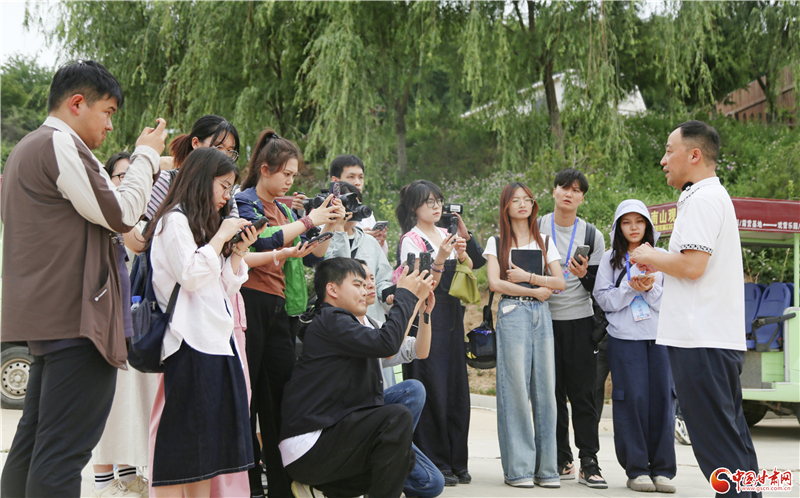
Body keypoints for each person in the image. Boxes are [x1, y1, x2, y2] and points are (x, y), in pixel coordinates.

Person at [0, 60, 167, 497]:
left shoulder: (26, 149)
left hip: (53, 322)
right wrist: (146, 155)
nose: (111, 125)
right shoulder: (60, 145)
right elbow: (123, 213)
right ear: (77, 103)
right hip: (79, 323)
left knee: (33, 449)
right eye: (107, 112)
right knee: (61, 457)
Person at [631, 120, 759, 497]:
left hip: (701, 340)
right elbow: (691, 267)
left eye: (669, 150)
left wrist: (649, 254)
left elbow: (692, 266)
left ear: (694, 155)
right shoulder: (707, 196)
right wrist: (659, 267)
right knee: (732, 443)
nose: (663, 160)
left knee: (718, 448)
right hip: (711, 338)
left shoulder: (702, 200)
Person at [144, 147, 261, 497]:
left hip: (216, 342)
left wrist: (237, 251)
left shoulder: (200, 224)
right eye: (223, 186)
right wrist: (221, 237)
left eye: (230, 187)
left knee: (209, 450)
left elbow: (223, 287)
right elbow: (191, 275)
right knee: (182, 447)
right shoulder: (173, 221)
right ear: (200, 180)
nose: (228, 196)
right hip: (189, 342)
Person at [235, 129, 342, 497]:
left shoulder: (283, 210)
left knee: (280, 399)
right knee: (248, 400)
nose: (290, 181)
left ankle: (282, 486)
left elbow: (312, 255)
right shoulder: (244, 202)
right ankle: (249, 486)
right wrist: (309, 220)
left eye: (294, 175)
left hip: (282, 309)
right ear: (264, 169)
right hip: (250, 303)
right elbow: (261, 240)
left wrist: (329, 222)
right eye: (286, 173)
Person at [281, 258, 432, 498]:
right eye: (357, 284)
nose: (365, 290)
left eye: (366, 284)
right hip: (310, 446)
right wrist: (404, 295)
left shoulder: (348, 325)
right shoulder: (332, 320)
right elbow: (388, 343)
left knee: (404, 455)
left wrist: (415, 304)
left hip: (325, 444)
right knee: (396, 419)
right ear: (332, 289)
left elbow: (391, 344)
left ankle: (323, 490)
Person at [484, 182, 566, 488]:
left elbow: (560, 283)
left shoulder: (545, 241)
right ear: (505, 206)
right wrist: (532, 288)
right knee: (515, 390)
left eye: (527, 199)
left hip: (541, 315)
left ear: (533, 205)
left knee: (546, 390)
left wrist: (529, 277)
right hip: (512, 313)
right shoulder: (496, 242)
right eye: (515, 200)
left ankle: (547, 470)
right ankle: (519, 469)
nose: (522, 204)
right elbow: (495, 283)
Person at [593, 199, 676, 493]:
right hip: (624, 339)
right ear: (618, 227)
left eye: (639, 221)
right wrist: (629, 287)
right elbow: (603, 299)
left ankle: (663, 470)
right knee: (631, 401)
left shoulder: (662, 257)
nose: (633, 227)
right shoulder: (610, 259)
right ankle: (637, 469)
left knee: (663, 401)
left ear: (648, 225)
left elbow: (672, 301)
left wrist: (650, 289)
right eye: (627, 222)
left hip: (659, 338)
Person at [395, 180, 474, 486]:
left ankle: (457, 460)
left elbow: (471, 268)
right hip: (427, 316)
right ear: (414, 207)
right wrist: (441, 256)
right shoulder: (411, 240)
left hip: (453, 316)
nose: (436, 206)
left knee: (455, 386)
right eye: (428, 202)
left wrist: (463, 254)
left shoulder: (446, 234)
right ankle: (436, 461)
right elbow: (425, 285)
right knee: (431, 384)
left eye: (438, 200)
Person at [91, 151, 158, 498]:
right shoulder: (111, 215)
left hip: (137, 324)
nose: (131, 181)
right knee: (113, 401)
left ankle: (129, 473)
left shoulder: (145, 216)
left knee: (133, 401)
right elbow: (138, 244)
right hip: (111, 322)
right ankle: (103, 480)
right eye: (123, 176)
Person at [538, 168, 607, 488]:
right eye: (564, 187)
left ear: (582, 198)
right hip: (542, 320)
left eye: (576, 190)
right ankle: (561, 458)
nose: (569, 193)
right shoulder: (537, 227)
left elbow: (599, 287)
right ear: (553, 191)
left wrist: (583, 275)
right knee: (550, 394)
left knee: (583, 395)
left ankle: (589, 461)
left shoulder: (592, 236)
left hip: (579, 321)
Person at [357, 261, 445, 498]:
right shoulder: (347, 325)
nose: (369, 285)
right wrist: (410, 301)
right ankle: (382, 461)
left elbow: (420, 351)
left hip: (379, 418)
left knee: (432, 483)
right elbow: (389, 347)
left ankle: (385, 459)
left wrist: (424, 312)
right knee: (412, 390)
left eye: (372, 279)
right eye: (361, 280)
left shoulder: (375, 324)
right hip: (359, 418)